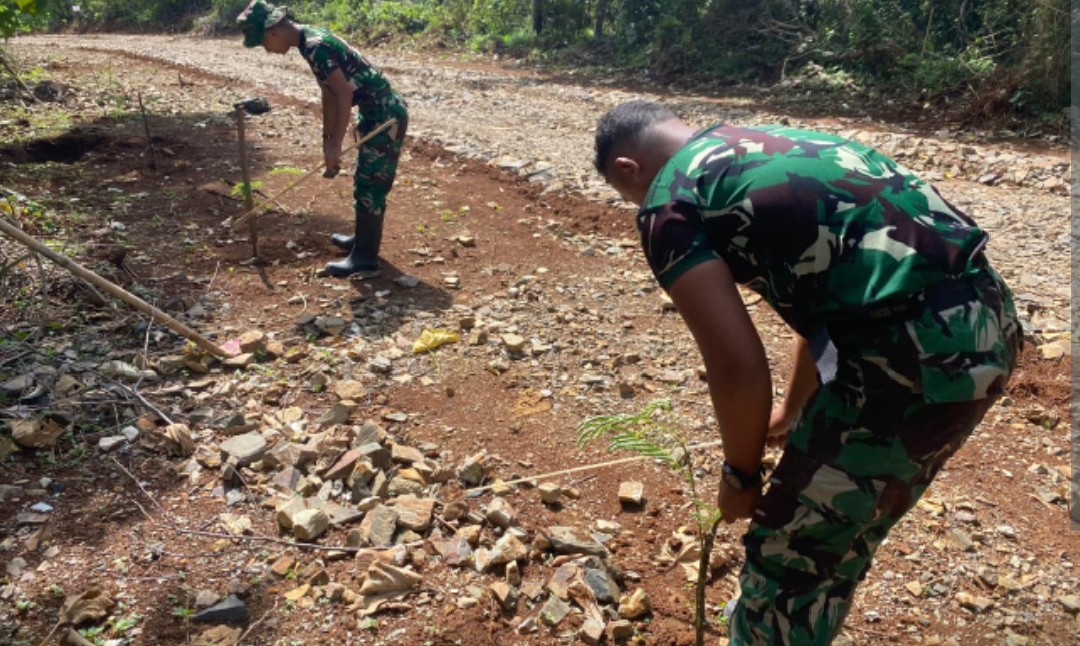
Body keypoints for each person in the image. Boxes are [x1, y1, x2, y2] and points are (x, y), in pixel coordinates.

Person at [593, 101, 1021, 645]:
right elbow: (820, 307)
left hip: (910, 353)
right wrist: (794, 410)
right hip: (987, 326)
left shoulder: (668, 203)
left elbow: (736, 365)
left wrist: (740, 477)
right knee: (834, 538)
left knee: (785, 558)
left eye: (623, 190)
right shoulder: (764, 142)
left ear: (628, 168)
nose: (634, 202)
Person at [236, 0, 408, 278]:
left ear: (273, 32)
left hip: (385, 114)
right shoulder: (308, 40)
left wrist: (337, 146)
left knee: (371, 181)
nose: (267, 50)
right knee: (365, 179)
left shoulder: (316, 45)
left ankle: (365, 257)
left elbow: (344, 94)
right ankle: (362, 240)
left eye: (262, 43)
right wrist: (327, 139)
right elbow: (328, 93)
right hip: (374, 110)